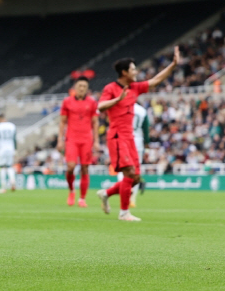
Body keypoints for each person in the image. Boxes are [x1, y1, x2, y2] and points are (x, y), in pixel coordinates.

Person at [96, 48, 180, 222]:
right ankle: (124, 213)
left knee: (135, 178)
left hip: (130, 138)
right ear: (124, 72)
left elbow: (156, 80)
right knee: (129, 173)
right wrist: (117, 100)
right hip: (117, 136)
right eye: (133, 69)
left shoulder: (134, 87)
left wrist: (173, 65)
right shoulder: (111, 88)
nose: (136, 72)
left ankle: (106, 193)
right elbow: (101, 106)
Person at [58, 77, 98, 207]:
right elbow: (62, 122)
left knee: (85, 168)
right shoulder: (67, 102)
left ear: (87, 89)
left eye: (84, 86)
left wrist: (96, 141)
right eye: (80, 86)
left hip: (86, 139)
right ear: (75, 87)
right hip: (72, 139)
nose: (82, 88)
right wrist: (60, 140)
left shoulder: (92, 103)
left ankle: (82, 198)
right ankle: (71, 190)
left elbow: (95, 122)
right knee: (70, 167)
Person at [119, 102, 149, 207]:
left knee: (123, 170)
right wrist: (147, 148)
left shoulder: (121, 106)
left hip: (123, 141)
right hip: (138, 142)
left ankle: (124, 195)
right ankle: (132, 198)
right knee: (136, 170)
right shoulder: (142, 110)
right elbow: (146, 131)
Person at [0, 114, 17, 193]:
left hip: (2, 149)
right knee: (9, 166)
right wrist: (15, 149)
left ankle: (3, 187)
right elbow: (14, 139)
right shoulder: (12, 126)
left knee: (2, 167)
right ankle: (13, 182)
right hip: (11, 148)